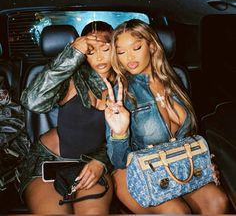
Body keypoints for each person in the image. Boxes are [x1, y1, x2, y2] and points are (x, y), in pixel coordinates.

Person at [104, 19, 229, 214]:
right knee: (177, 212)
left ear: (152, 46)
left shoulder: (174, 80)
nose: (128, 57)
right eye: (120, 52)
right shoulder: (121, 93)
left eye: (136, 47)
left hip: (176, 164)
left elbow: (189, 136)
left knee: (218, 201)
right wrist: (119, 132)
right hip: (137, 173)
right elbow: (119, 161)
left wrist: (203, 161)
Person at [19, 21, 114, 214]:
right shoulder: (71, 77)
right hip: (49, 162)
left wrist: (100, 161)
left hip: (94, 163)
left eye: (105, 48)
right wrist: (73, 53)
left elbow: (130, 138)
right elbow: (32, 101)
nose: (99, 56)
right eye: (90, 50)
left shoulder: (127, 84)